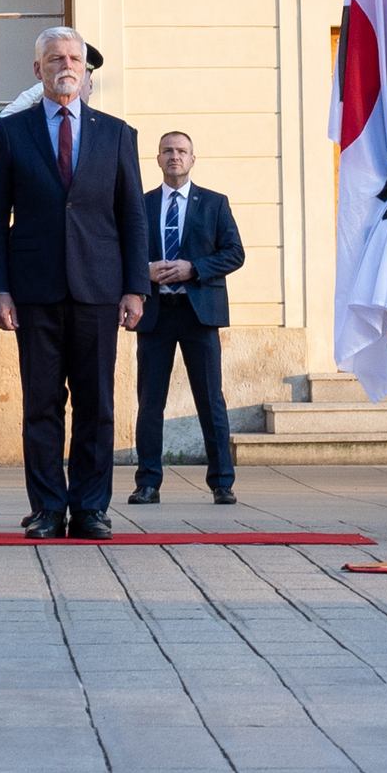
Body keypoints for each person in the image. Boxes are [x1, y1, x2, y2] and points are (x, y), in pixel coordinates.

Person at [0, 25, 145, 539]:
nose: (66, 65)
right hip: (34, 289)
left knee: (96, 404)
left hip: (99, 288)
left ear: (85, 70)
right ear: (37, 69)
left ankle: (91, 507)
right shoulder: (13, 131)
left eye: (75, 58)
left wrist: (136, 287)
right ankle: (47, 507)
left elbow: (132, 217)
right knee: (41, 403)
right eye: (55, 58)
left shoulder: (117, 133)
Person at [128, 128, 246, 507]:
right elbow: (121, 253)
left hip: (200, 315)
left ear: (193, 159)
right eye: (167, 151)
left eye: (181, 151)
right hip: (156, 315)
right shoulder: (140, 205)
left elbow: (234, 253)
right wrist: (142, 272)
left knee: (211, 401)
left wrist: (193, 268)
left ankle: (222, 482)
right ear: (157, 159)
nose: (174, 156)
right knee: (150, 403)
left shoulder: (215, 203)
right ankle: (147, 482)